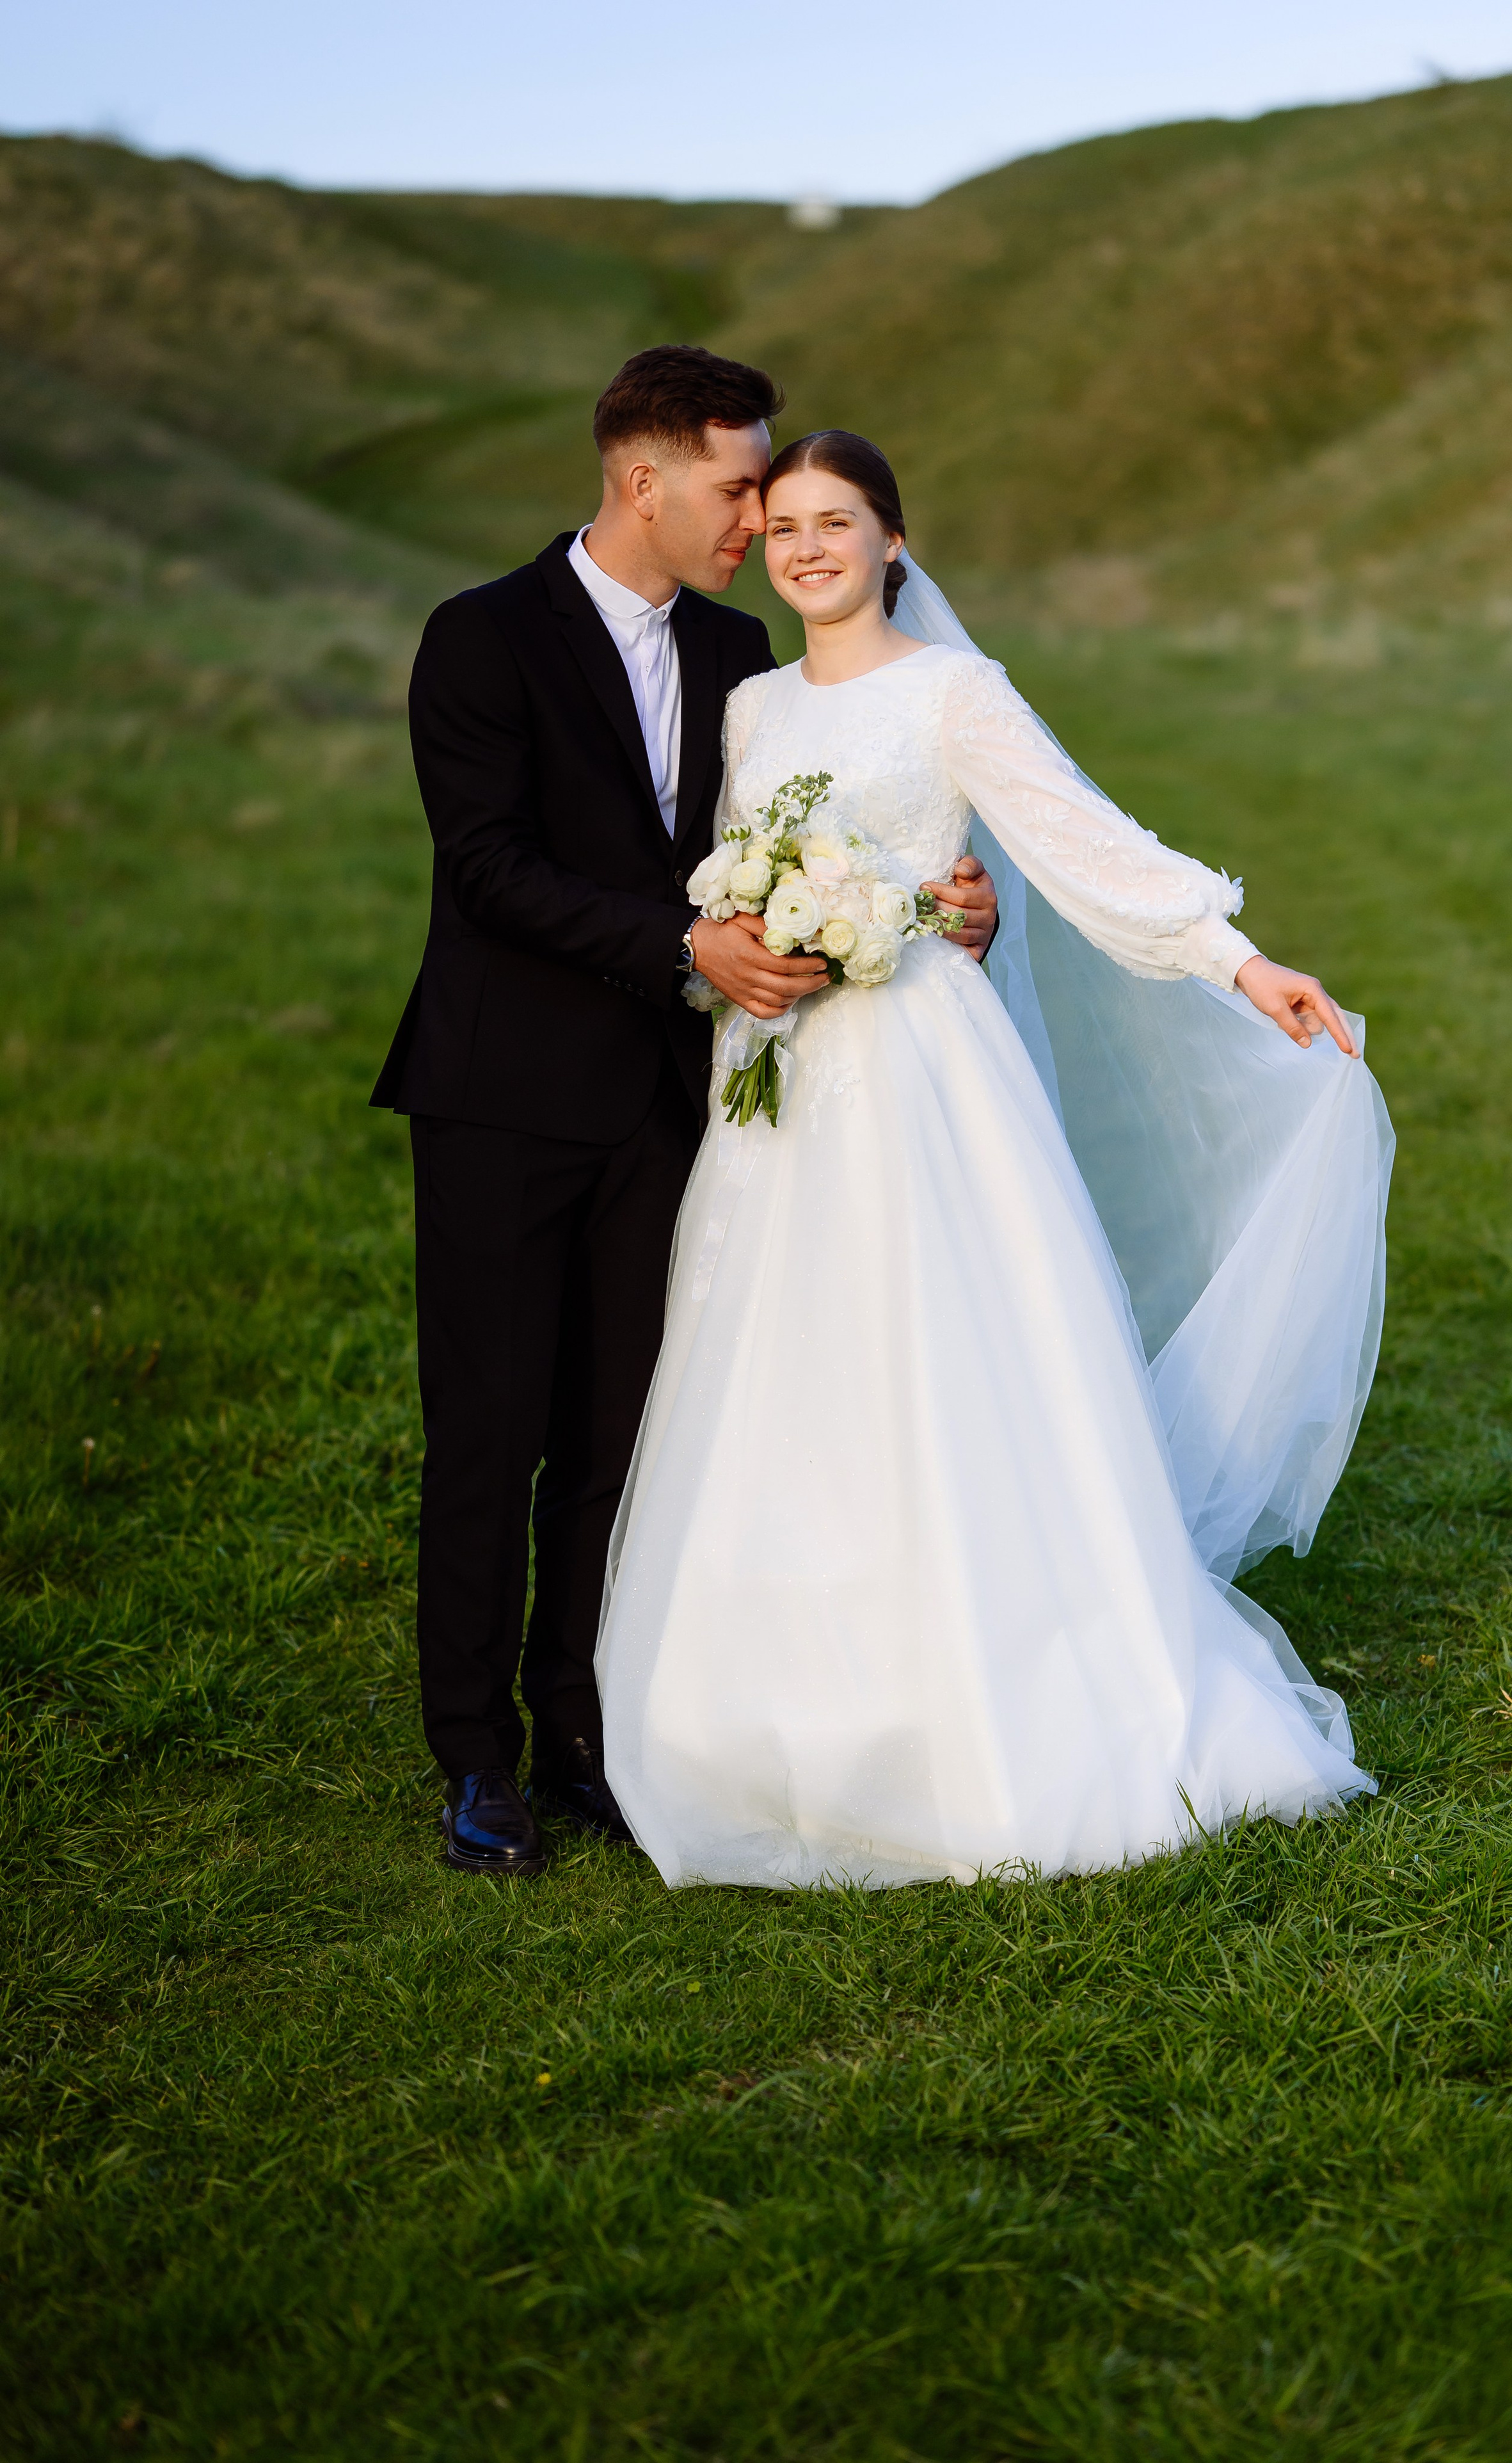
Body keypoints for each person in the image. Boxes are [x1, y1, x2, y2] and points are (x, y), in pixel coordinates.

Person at [594, 429, 1394, 1889]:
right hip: (774, 1081)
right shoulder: (752, 709)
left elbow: (1079, 847)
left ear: (894, 541)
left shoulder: (955, 693)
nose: (806, 549)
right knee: (777, 1369)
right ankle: (759, 1721)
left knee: (937, 1361)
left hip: (916, 1082)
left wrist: (1237, 962)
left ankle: (984, 1695)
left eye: (836, 522)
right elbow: (717, 875)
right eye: (781, 528)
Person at [372, 355, 1000, 1877]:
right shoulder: (480, 639)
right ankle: (475, 1759)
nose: (757, 519)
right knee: (489, 1430)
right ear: (639, 479)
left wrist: (943, 907)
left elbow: (847, 810)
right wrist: (680, 946)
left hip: (686, 1101)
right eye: (734, 488)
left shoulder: (741, 655)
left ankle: (587, 1728)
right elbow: (490, 870)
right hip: (503, 1098)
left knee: (619, 1435)